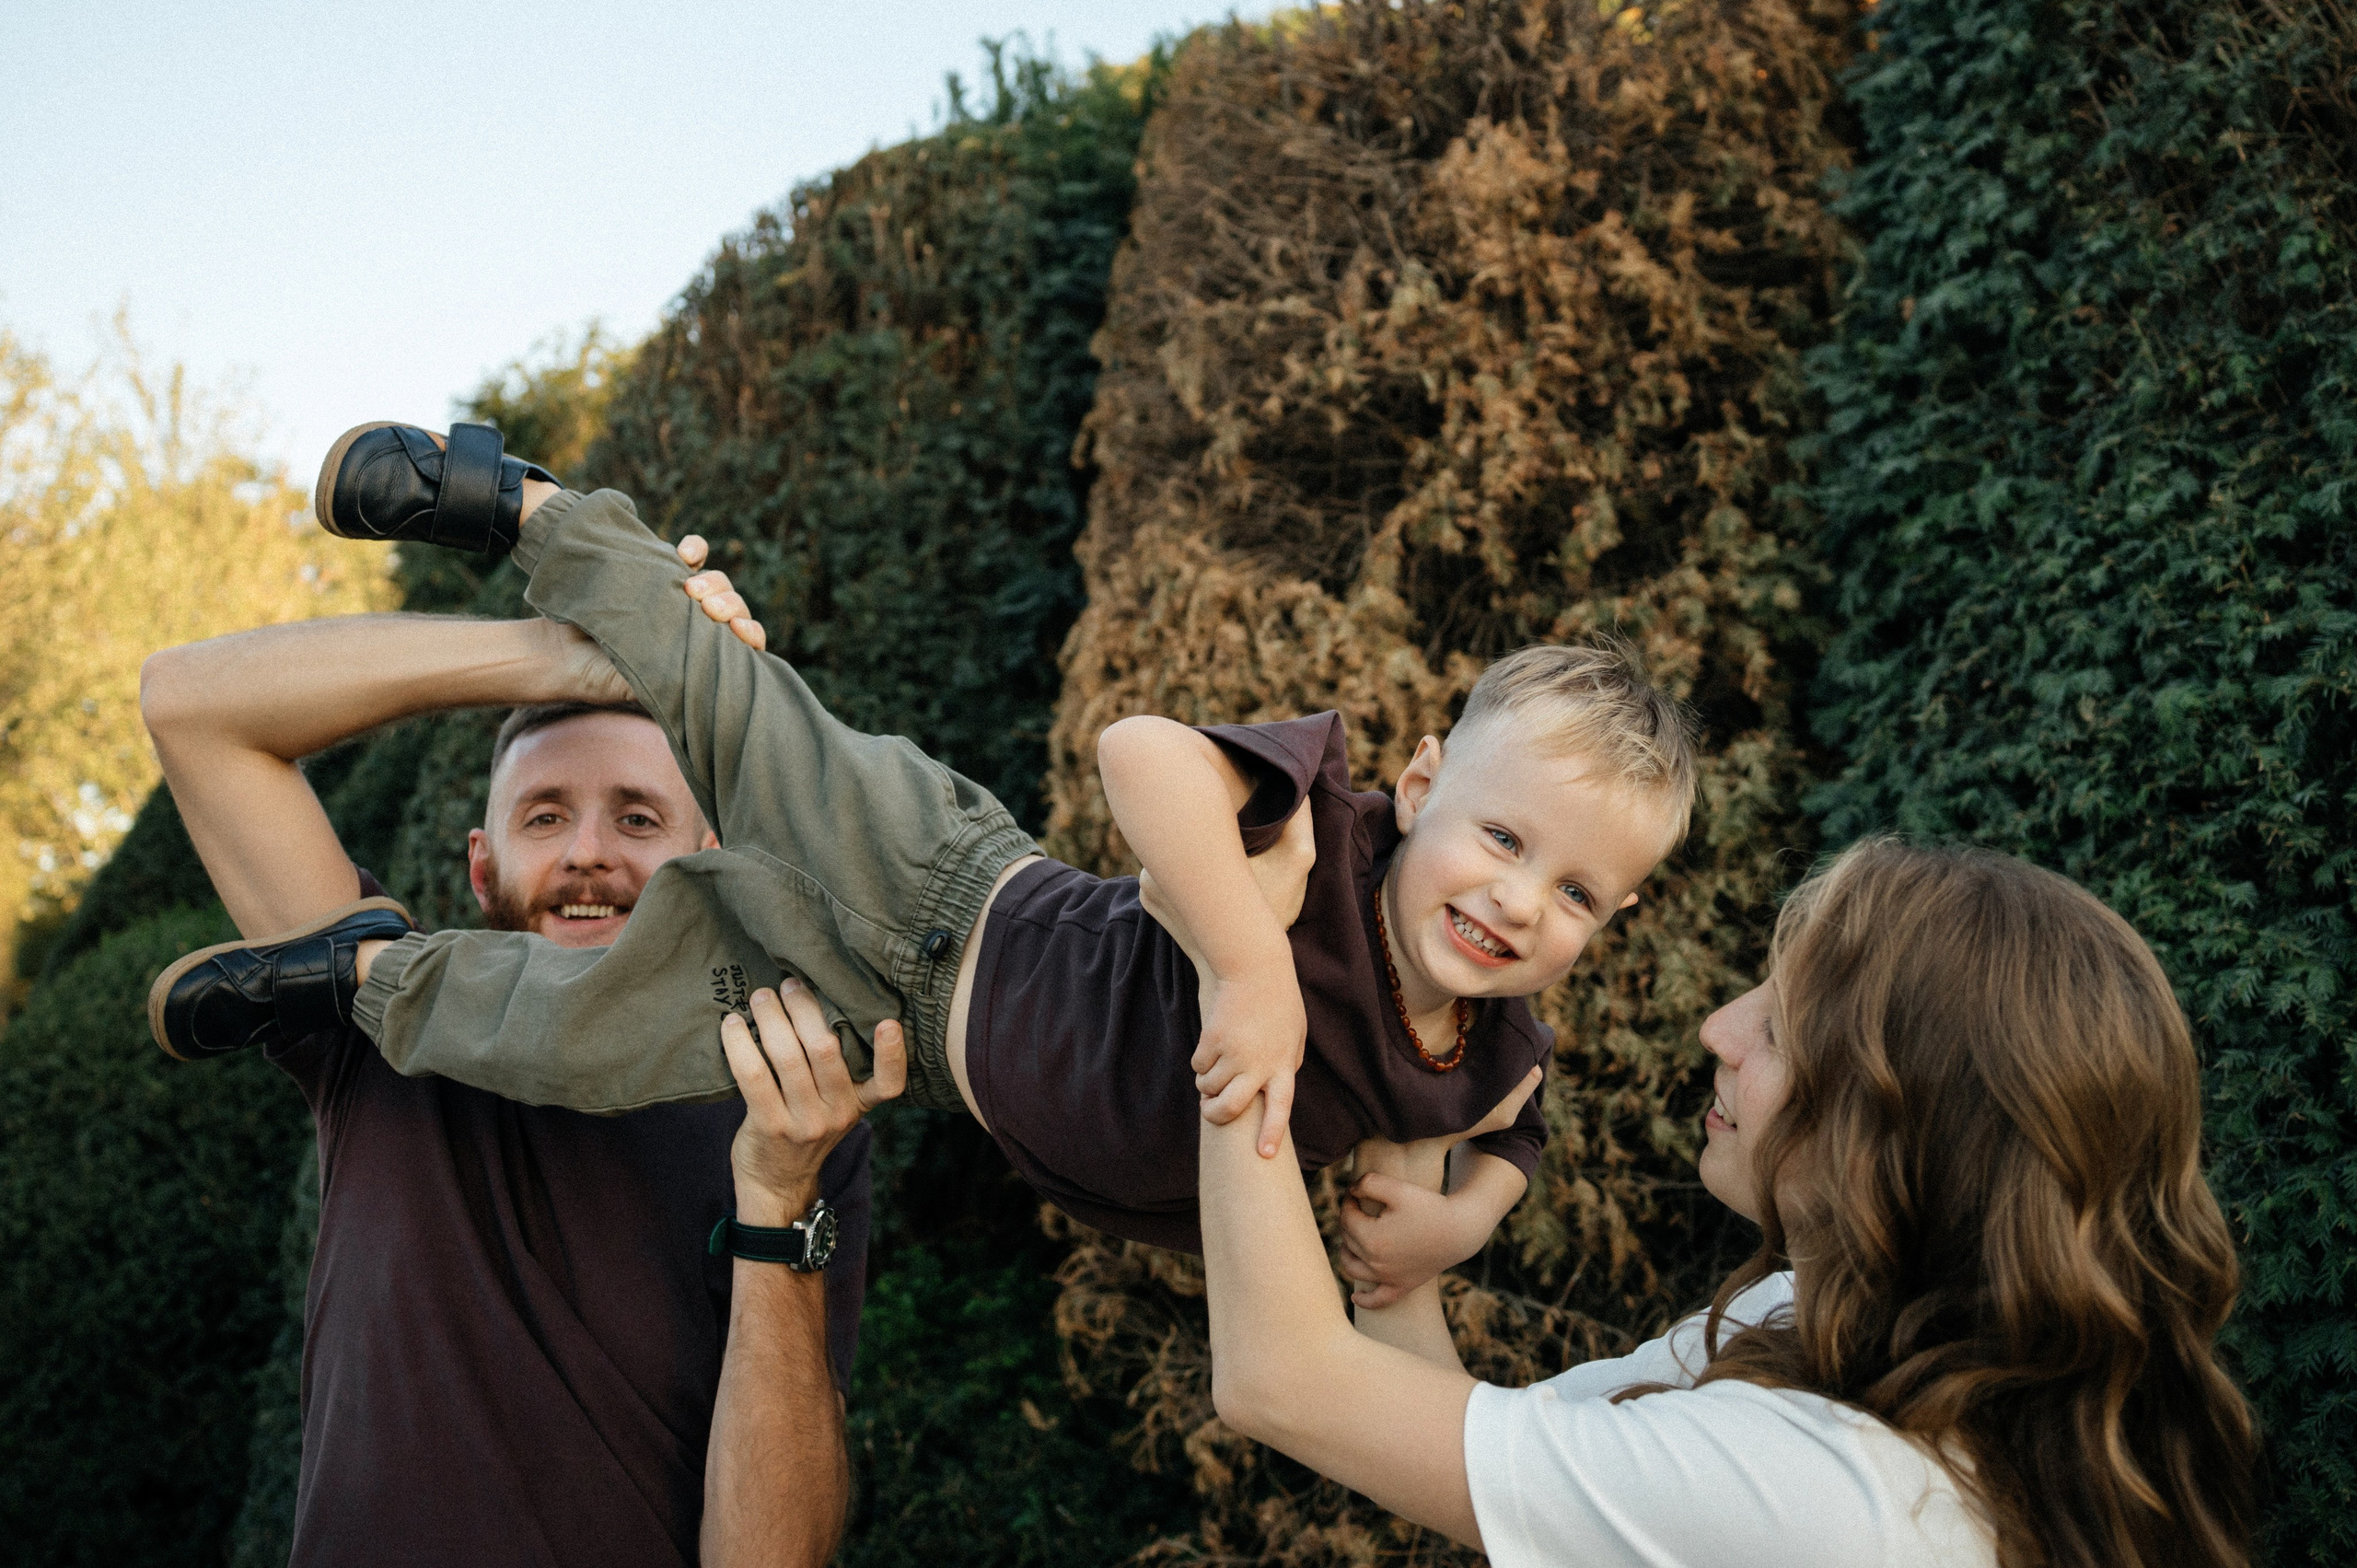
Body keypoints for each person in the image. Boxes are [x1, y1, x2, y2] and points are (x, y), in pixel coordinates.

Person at [152, 421, 1695, 1279]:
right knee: (728, 706)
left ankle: (365, 979)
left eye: (1578, 892)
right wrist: (1247, 965)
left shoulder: (1494, 1050)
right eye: (1502, 834)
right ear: (1425, 780)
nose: (1517, 900)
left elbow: (1511, 1138)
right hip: (953, 889)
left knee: (586, 1034)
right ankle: (533, 507)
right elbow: (1142, 755)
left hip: (880, 1027)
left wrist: (1462, 1216)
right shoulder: (1332, 833)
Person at [1187, 837, 2263, 1568]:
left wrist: (1241, 970)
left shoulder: (1838, 1496)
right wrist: (1415, 1107)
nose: (1718, 1028)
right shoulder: (1813, 1319)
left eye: (1784, 1029)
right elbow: (1473, 1457)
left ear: (1901, 1135)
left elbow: (1284, 1383)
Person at [138, 564, 883, 1568]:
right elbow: (189, 704)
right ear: (482, 867)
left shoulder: (787, 1116)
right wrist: (561, 656)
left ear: (711, 864)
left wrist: (779, 1201)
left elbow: (770, 1557)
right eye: (544, 816)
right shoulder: (376, 1018)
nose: (586, 852)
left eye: (637, 818)